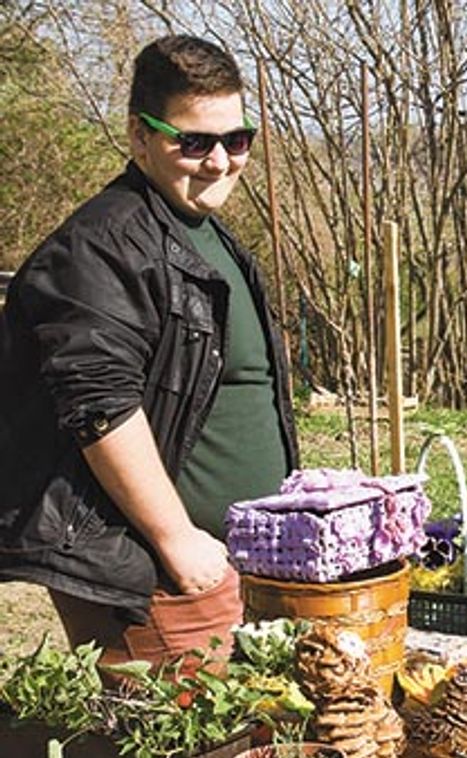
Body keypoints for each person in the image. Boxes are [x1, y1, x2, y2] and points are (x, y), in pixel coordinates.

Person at [0, 35, 297, 669]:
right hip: (152, 574)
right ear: (139, 136)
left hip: (231, 562)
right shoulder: (101, 248)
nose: (219, 161)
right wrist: (175, 540)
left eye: (237, 140)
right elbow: (99, 404)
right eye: (194, 142)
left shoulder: (205, 234)